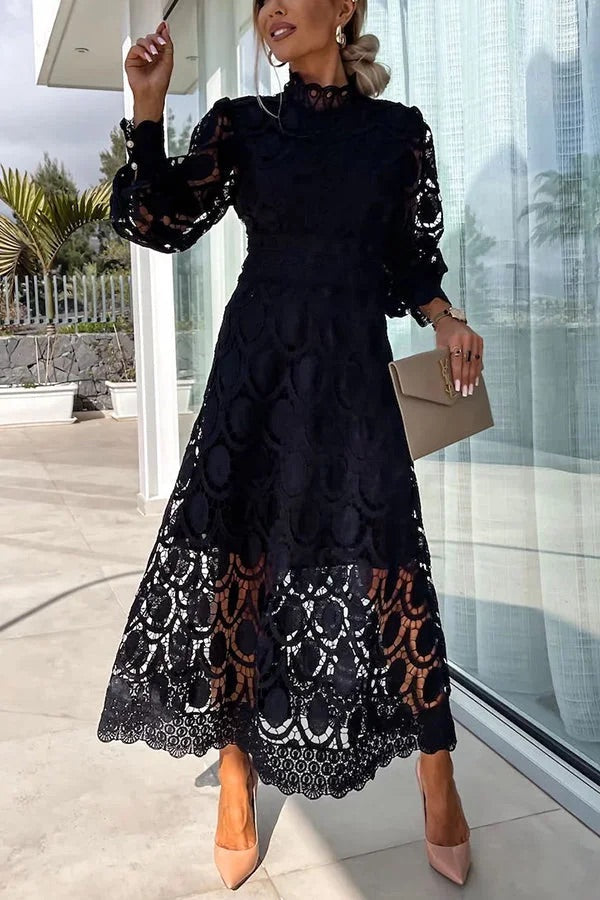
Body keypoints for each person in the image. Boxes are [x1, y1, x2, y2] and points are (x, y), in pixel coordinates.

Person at [98, 1, 482, 890]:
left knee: (389, 564)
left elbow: (408, 260)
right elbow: (159, 221)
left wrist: (446, 318)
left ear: (343, 8)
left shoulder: (397, 133)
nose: (270, 8)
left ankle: (437, 774)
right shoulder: (243, 125)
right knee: (244, 565)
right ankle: (237, 773)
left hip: (352, 375)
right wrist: (147, 107)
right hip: (256, 374)